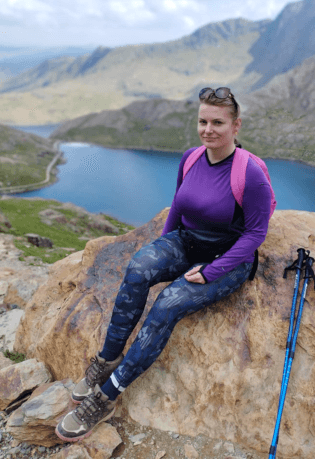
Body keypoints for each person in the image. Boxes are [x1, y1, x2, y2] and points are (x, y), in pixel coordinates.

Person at [55, 87, 272, 442]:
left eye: (218, 122)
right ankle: (107, 359)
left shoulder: (250, 173)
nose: (208, 129)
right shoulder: (190, 158)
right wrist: (161, 247)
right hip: (187, 242)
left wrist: (212, 271)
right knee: (139, 267)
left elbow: (255, 234)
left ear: (236, 126)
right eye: (203, 121)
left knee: (167, 303)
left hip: (228, 258)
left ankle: (107, 395)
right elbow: (179, 206)